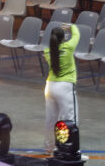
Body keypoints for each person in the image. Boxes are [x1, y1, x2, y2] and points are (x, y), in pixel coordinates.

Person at [42, 24, 80, 154]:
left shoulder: (47, 51)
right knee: (70, 120)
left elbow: (54, 50)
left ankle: (48, 147)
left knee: (51, 119)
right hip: (65, 87)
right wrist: (72, 26)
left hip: (50, 86)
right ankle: (70, 149)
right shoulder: (68, 47)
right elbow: (77, 35)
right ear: (63, 38)